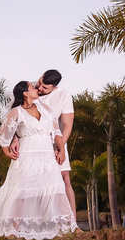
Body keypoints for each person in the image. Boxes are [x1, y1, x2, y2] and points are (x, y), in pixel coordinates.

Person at [0, 81, 78, 240]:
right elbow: (3, 133)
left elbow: (56, 131)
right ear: (25, 93)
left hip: (47, 158)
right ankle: (13, 231)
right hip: (27, 158)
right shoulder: (16, 112)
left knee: (56, 191)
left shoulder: (45, 109)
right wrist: (7, 152)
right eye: (32, 88)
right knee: (21, 193)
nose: (37, 89)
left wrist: (62, 150)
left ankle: (73, 227)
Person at [8, 69, 76, 214]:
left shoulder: (64, 96)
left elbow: (67, 126)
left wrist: (60, 148)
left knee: (64, 179)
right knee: (26, 183)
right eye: (39, 83)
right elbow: (11, 117)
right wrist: (14, 138)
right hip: (31, 145)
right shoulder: (28, 89)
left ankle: (72, 224)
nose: (39, 88)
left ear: (54, 88)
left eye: (45, 88)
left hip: (57, 142)